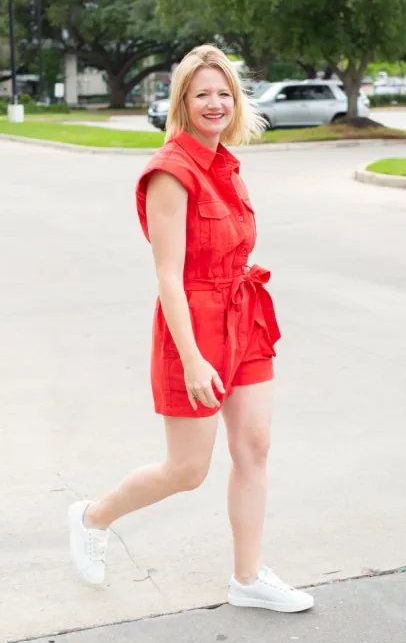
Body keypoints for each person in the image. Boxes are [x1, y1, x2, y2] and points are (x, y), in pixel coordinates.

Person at [68, 45, 314, 613]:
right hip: (194, 327)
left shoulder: (227, 164)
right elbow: (168, 276)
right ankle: (91, 518)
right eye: (202, 93)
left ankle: (247, 579)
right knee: (187, 470)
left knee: (255, 446)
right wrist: (194, 358)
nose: (215, 103)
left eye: (224, 93)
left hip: (244, 315)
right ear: (182, 101)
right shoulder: (170, 172)